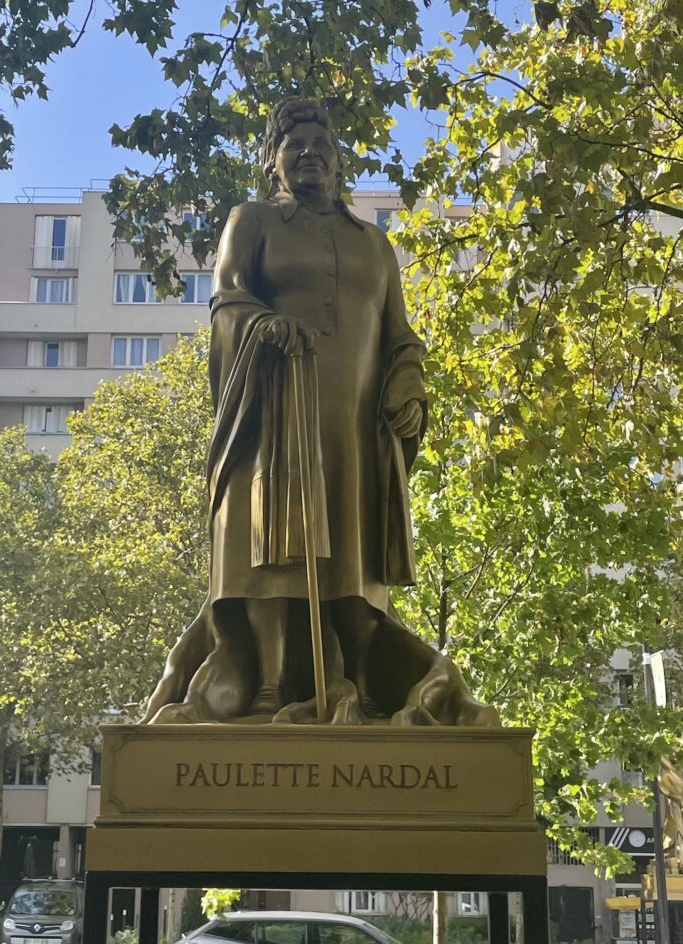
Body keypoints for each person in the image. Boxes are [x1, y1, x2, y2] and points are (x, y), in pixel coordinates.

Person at [142, 97, 497, 726]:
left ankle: (355, 688)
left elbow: (401, 336)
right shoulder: (251, 220)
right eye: (293, 145)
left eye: (320, 145)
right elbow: (226, 300)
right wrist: (264, 325)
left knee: (351, 575)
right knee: (270, 549)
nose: (308, 154)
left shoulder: (374, 244)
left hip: (354, 429)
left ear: (339, 162)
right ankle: (268, 691)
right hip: (274, 412)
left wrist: (408, 384)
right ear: (273, 161)